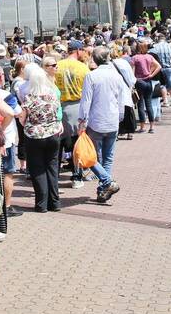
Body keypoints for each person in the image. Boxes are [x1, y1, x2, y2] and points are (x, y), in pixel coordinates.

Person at [78, 46, 128, 205]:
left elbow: (86, 101)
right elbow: (121, 99)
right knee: (107, 157)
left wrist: (82, 120)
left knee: (90, 156)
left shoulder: (92, 76)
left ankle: (106, 183)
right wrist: (120, 116)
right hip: (112, 120)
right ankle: (103, 188)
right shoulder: (116, 76)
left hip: (96, 121)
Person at [18, 62, 63, 213]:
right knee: (52, 167)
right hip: (53, 133)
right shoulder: (52, 95)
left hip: (34, 135)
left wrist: (28, 123)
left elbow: (22, 119)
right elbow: (57, 112)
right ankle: (55, 202)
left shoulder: (29, 98)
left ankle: (41, 204)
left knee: (38, 169)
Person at [55, 40, 90, 189]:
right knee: (78, 143)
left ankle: (54, 174)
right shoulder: (83, 68)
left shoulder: (57, 66)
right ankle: (77, 175)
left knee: (59, 143)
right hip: (77, 105)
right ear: (78, 51)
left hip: (59, 105)